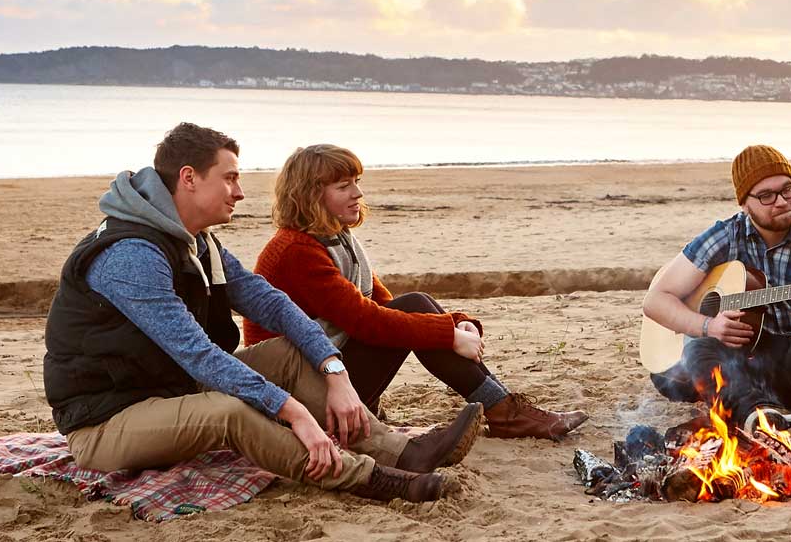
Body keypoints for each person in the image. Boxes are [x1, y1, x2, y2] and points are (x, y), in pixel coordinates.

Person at [42, 123, 483, 504]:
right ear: (189, 178)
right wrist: (293, 413)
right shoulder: (133, 255)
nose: (240, 191)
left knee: (293, 353)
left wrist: (334, 371)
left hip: (171, 386)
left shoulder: (194, 240)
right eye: (230, 178)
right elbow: (197, 354)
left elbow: (268, 300)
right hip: (108, 419)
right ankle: (370, 478)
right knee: (227, 411)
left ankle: (405, 454)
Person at [243, 144, 588, 440]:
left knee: (414, 303)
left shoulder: (336, 239)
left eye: (357, 183)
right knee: (413, 305)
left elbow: (383, 303)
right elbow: (367, 320)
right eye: (344, 186)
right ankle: (505, 413)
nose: (358, 194)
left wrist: (458, 324)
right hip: (302, 394)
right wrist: (447, 335)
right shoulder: (296, 250)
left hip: (331, 376)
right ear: (311, 194)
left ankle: (505, 410)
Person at [641, 145, 791, 441]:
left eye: (787, 190)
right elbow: (656, 300)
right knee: (697, 349)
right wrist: (708, 325)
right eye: (766, 195)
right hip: (743, 371)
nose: (781, 202)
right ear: (744, 204)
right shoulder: (725, 236)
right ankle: (756, 413)